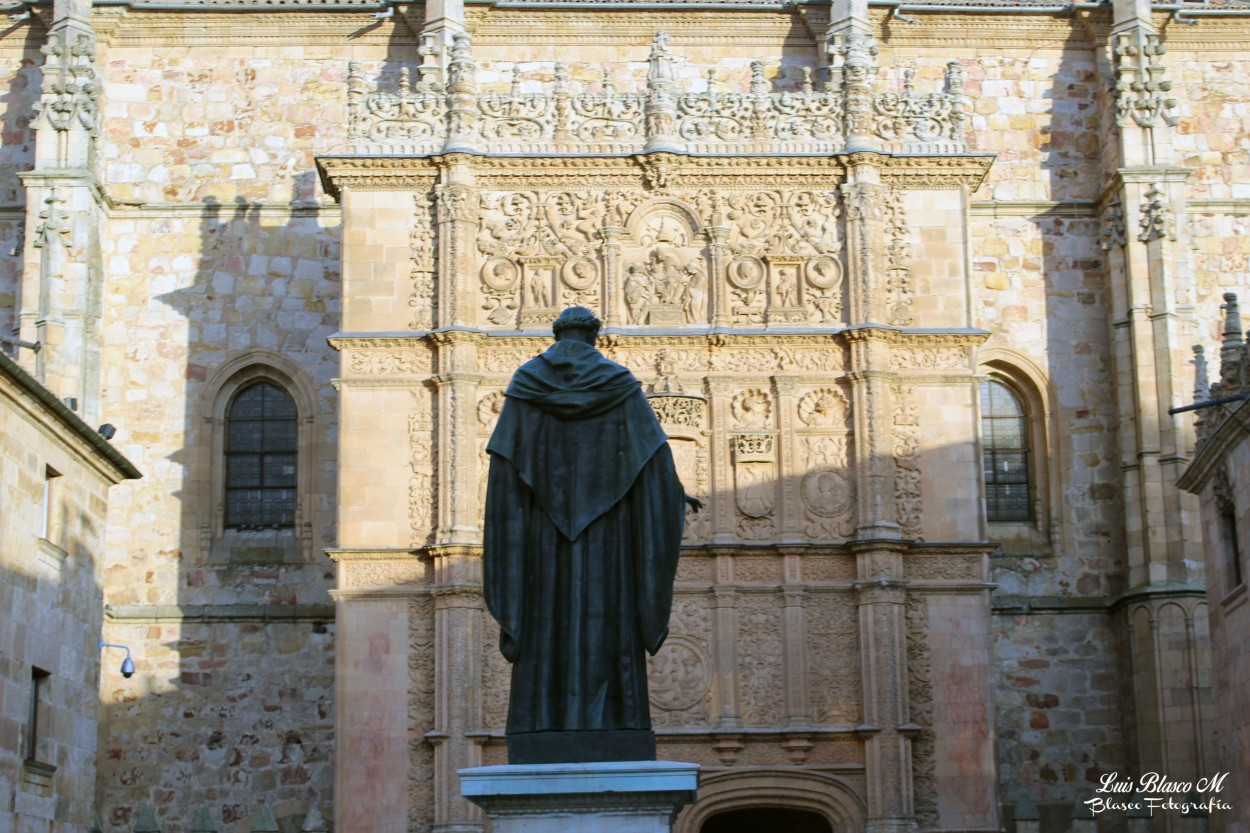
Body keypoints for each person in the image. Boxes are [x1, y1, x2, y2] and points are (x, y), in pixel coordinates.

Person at [483, 306, 700, 764]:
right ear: (594, 338)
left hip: (543, 545)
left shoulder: (525, 386)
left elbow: (504, 472)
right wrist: (674, 499)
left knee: (548, 625)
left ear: (558, 335)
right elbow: (656, 463)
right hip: (611, 544)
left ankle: (541, 724)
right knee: (607, 629)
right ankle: (613, 723)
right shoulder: (620, 387)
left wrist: (512, 533)